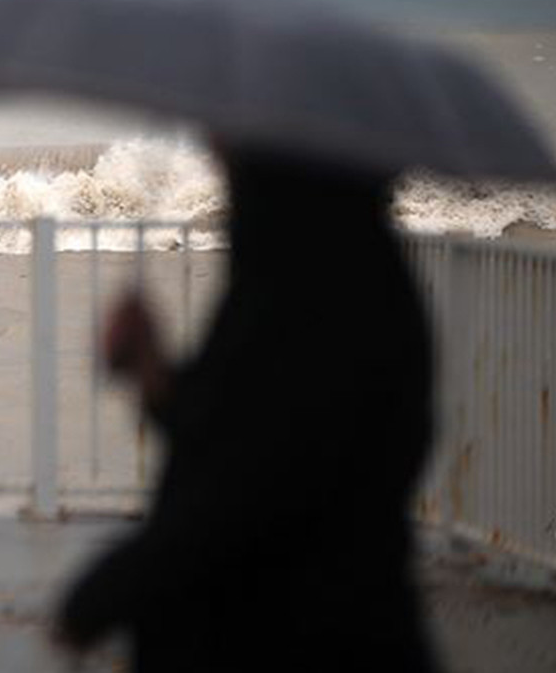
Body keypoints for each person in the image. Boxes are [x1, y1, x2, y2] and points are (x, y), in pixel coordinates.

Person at [53, 146, 441, 672]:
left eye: (237, 152)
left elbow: (250, 489)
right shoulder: (319, 276)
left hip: (299, 638)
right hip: (323, 623)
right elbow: (233, 420)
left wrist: (110, 591)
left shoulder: (318, 297)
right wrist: (151, 370)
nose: (219, 156)